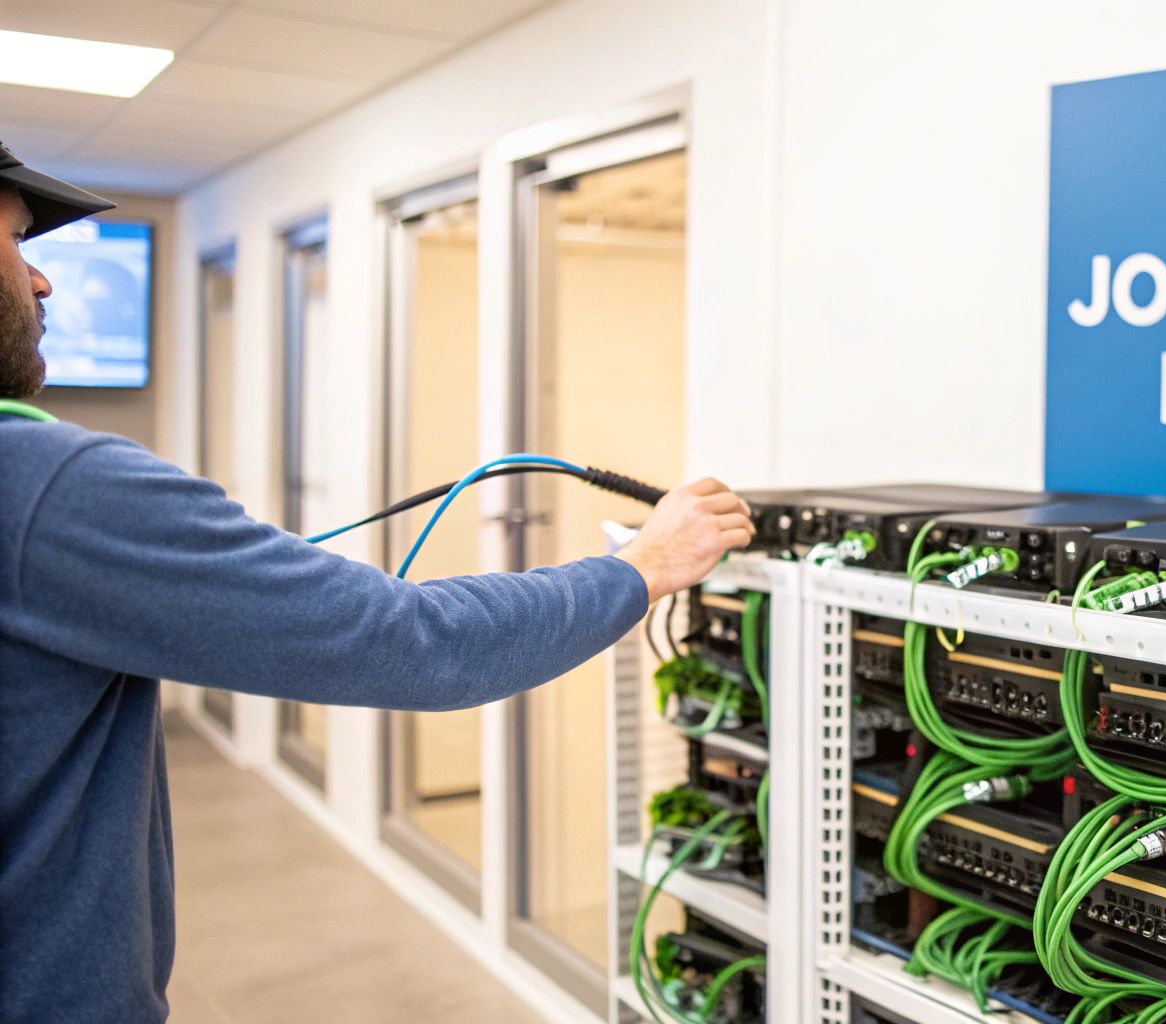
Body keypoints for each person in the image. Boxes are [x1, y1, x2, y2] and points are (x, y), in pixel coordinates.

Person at [0, 143, 755, 1023]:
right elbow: (418, 644)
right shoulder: (46, 483)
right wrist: (643, 566)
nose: (41, 281)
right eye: (17, 242)